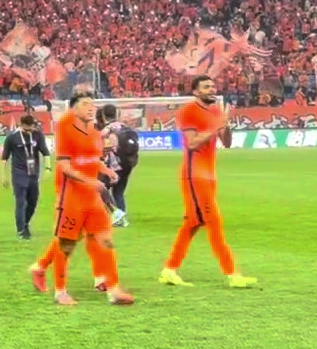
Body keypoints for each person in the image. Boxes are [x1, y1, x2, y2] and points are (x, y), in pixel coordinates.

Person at [29, 93, 134, 306]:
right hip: (71, 197)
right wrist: (91, 181)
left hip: (92, 197)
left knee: (105, 240)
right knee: (66, 244)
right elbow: (65, 167)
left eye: (92, 104)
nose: (91, 108)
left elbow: (92, 160)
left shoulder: (94, 133)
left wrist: (106, 170)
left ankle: (113, 290)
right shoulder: (65, 130)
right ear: (73, 109)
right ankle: (60, 292)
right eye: (85, 104)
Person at [159, 76, 257, 288]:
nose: (212, 89)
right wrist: (215, 127)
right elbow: (192, 143)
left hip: (209, 175)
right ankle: (232, 274)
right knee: (214, 221)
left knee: (193, 223)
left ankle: (169, 269)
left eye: (213, 86)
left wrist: (225, 126)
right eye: (206, 87)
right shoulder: (189, 111)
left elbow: (226, 143)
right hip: (194, 175)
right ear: (196, 91)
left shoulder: (215, 111)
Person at [0, 115, 50, 240]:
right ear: (21, 124)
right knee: (21, 201)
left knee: (33, 201)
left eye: (31, 128)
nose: (29, 131)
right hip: (19, 173)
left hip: (33, 173)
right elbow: (4, 158)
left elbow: (45, 152)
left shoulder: (37, 135)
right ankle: (21, 230)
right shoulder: (12, 137)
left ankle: (25, 223)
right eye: (26, 129)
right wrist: (3, 176)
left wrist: (48, 168)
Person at [98, 105, 135, 227]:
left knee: (100, 190)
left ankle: (113, 216)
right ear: (117, 114)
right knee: (118, 193)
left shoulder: (106, 130)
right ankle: (121, 218)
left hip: (112, 166)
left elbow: (102, 146)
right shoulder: (125, 127)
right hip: (127, 165)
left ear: (103, 115)